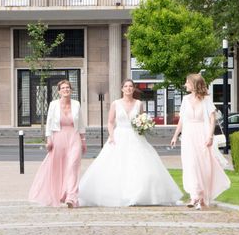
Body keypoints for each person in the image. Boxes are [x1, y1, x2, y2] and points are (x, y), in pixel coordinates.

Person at [79, 79, 182, 207]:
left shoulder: (139, 104)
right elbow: (110, 122)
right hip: (119, 135)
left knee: (139, 165)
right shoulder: (116, 104)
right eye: (126, 86)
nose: (128, 88)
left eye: (130, 86)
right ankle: (116, 194)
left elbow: (142, 119)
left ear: (133, 89)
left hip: (135, 136)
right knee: (116, 165)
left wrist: (143, 126)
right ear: (122, 89)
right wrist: (111, 136)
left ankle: (139, 194)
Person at [170, 73, 231, 210]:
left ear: (194, 84)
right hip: (188, 135)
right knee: (190, 164)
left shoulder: (206, 100)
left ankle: (201, 196)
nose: (185, 84)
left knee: (203, 165)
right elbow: (182, 120)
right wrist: (175, 136)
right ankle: (194, 195)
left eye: (187, 82)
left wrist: (210, 136)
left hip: (202, 135)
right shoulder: (185, 100)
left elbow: (212, 119)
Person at [29, 79, 86, 208]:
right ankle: (60, 193)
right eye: (63, 88)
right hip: (58, 136)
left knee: (73, 166)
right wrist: (49, 139)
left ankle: (71, 196)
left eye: (68, 88)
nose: (66, 90)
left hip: (74, 136)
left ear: (71, 90)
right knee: (59, 166)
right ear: (59, 91)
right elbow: (49, 123)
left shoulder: (76, 104)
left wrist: (83, 140)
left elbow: (81, 123)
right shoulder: (53, 104)